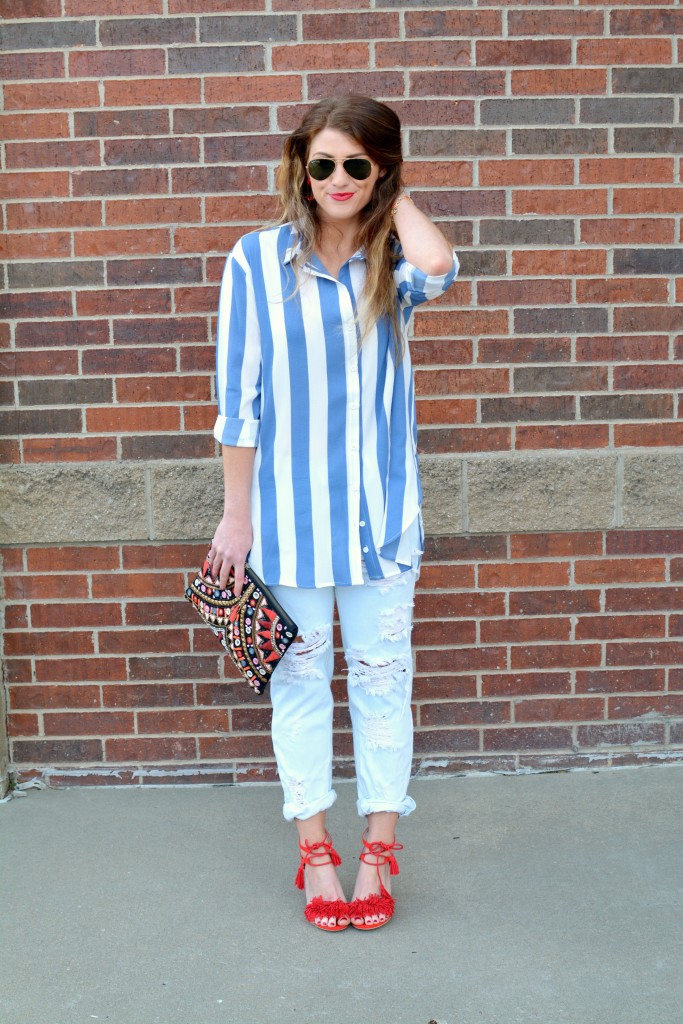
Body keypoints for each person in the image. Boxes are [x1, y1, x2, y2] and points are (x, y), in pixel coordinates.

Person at [208, 96, 459, 932]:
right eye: (322, 164)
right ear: (298, 168)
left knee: (385, 686)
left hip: (383, 524)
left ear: (380, 168)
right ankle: (314, 849)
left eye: (357, 163)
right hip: (288, 526)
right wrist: (235, 519)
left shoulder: (392, 259)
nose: (338, 179)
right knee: (301, 685)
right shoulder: (254, 262)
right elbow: (238, 405)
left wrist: (393, 191)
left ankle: (379, 850)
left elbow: (444, 262)